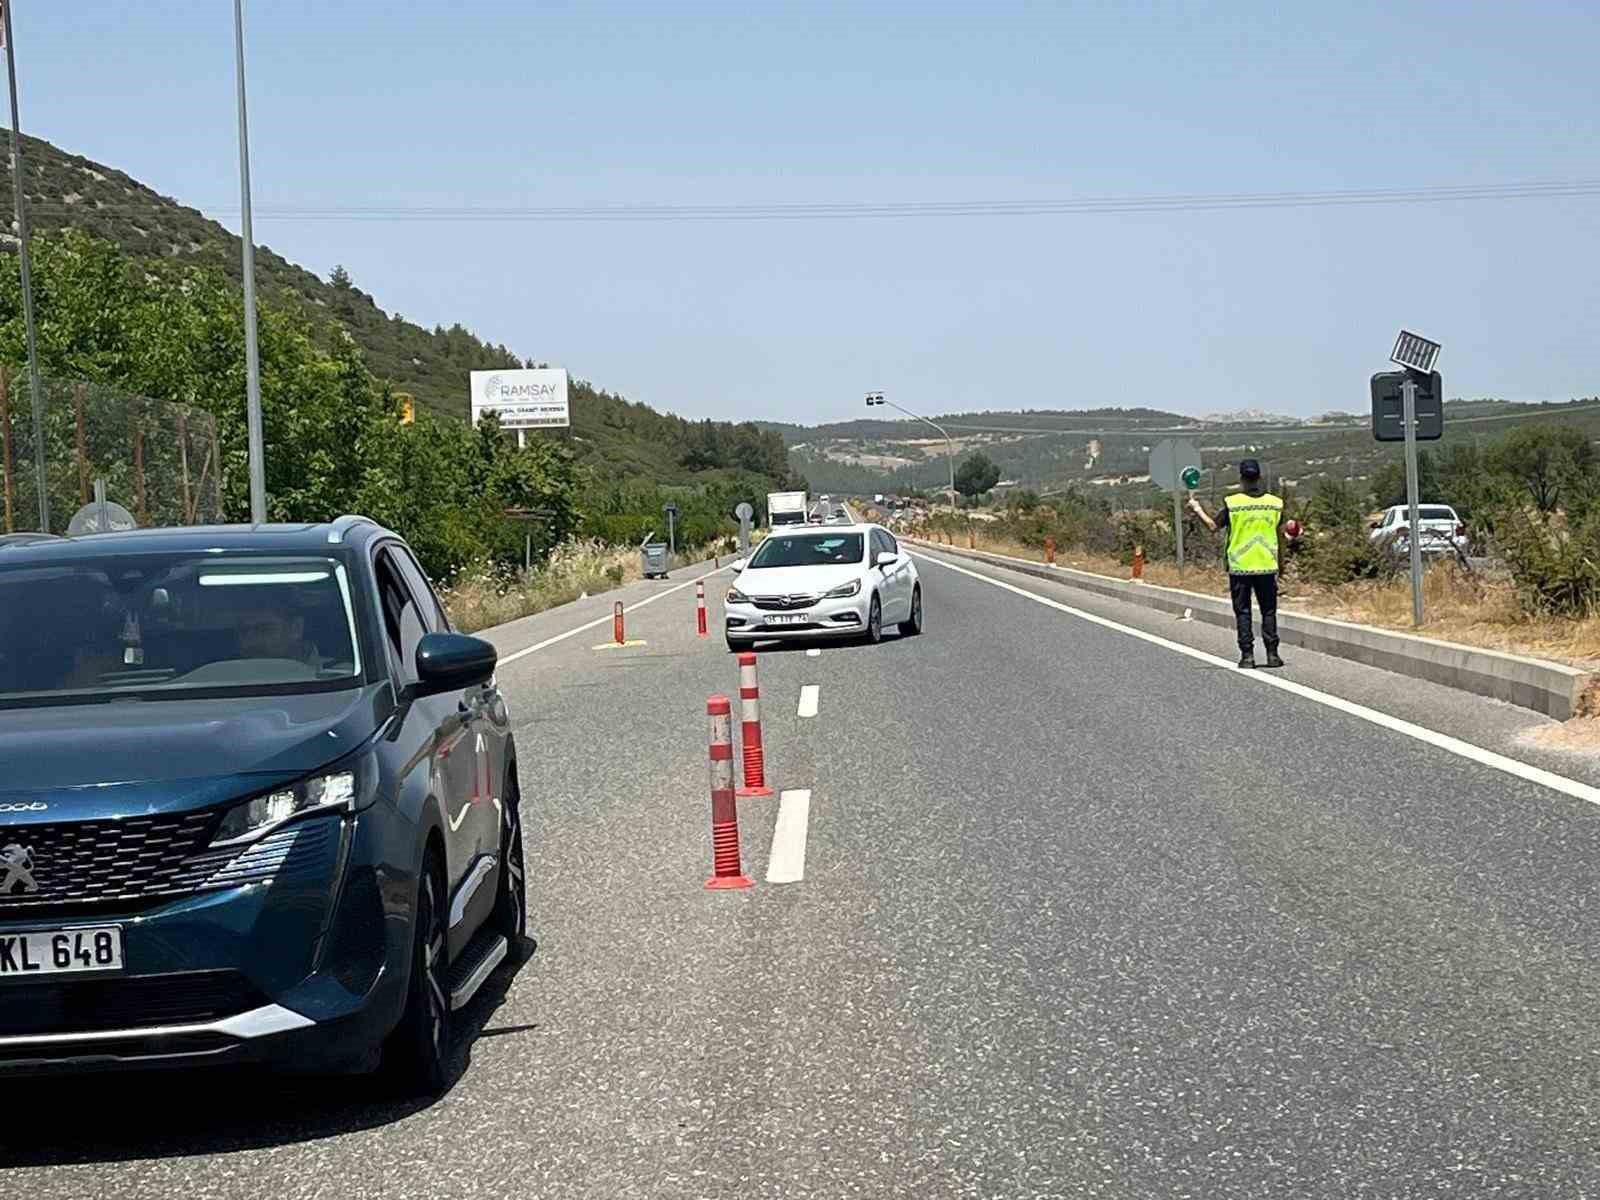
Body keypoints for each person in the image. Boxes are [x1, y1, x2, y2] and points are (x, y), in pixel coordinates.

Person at [1188, 459, 1284, 669]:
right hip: (1267, 564)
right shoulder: (1275, 503)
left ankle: (1247, 656)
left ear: (1241, 478)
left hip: (1240, 566)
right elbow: (1280, 533)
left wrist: (1197, 509)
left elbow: (1213, 526)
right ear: (1259, 477)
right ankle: (1272, 654)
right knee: (1268, 611)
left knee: (1243, 611)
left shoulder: (1233, 503)